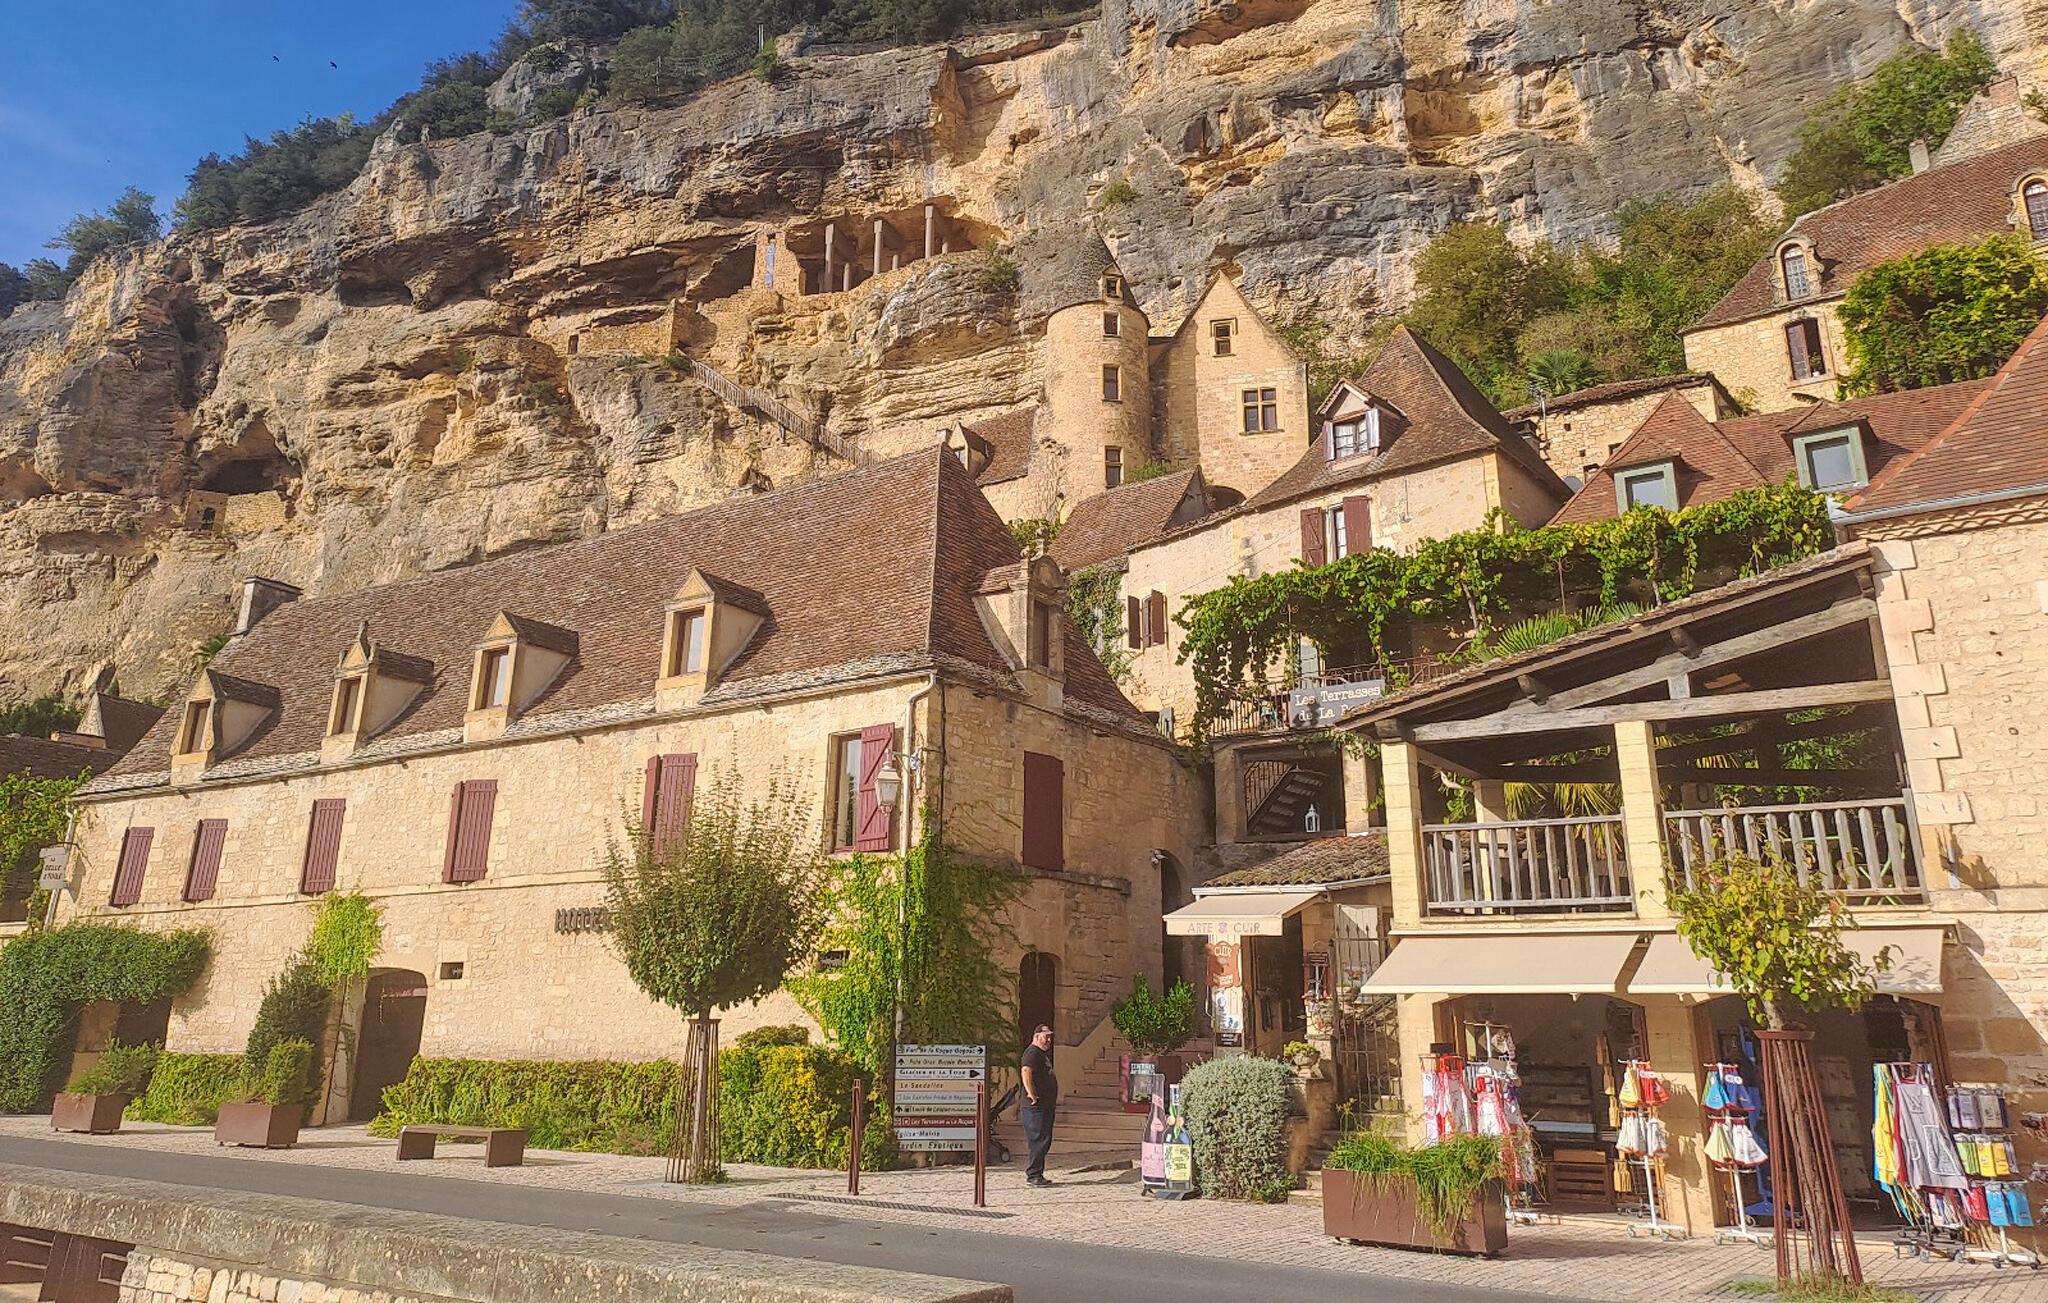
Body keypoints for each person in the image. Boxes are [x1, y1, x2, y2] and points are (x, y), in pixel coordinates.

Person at [1020, 1023, 1058, 1187]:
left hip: (1045, 1105)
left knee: (1044, 1140)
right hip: (1036, 1107)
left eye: (1050, 1037)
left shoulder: (1041, 1054)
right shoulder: (1032, 1053)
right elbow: (1026, 1071)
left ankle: (1038, 1173)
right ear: (1036, 1037)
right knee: (1038, 1140)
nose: (1048, 1040)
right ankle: (1033, 1175)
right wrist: (1031, 1093)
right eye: (1045, 1037)